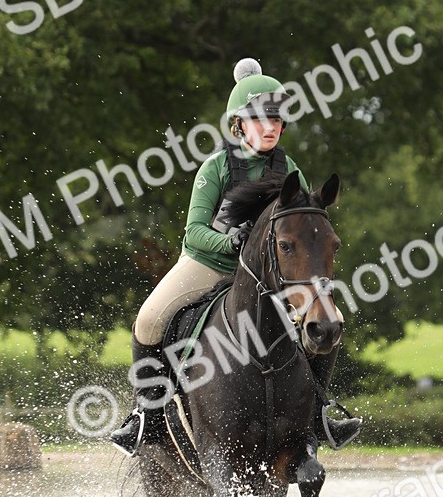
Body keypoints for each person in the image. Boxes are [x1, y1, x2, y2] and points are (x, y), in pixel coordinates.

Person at [109, 57, 361, 455]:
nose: (271, 128)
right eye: (261, 120)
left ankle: (319, 414)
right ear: (238, 125)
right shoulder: (217, 167)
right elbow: (194, 232)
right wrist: (229, 243)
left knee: (325, 318)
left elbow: (301, 232)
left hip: (268, 276)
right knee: (149, 319)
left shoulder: (289, 168)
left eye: (277, 121)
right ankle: (147, 418)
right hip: (209, 264)